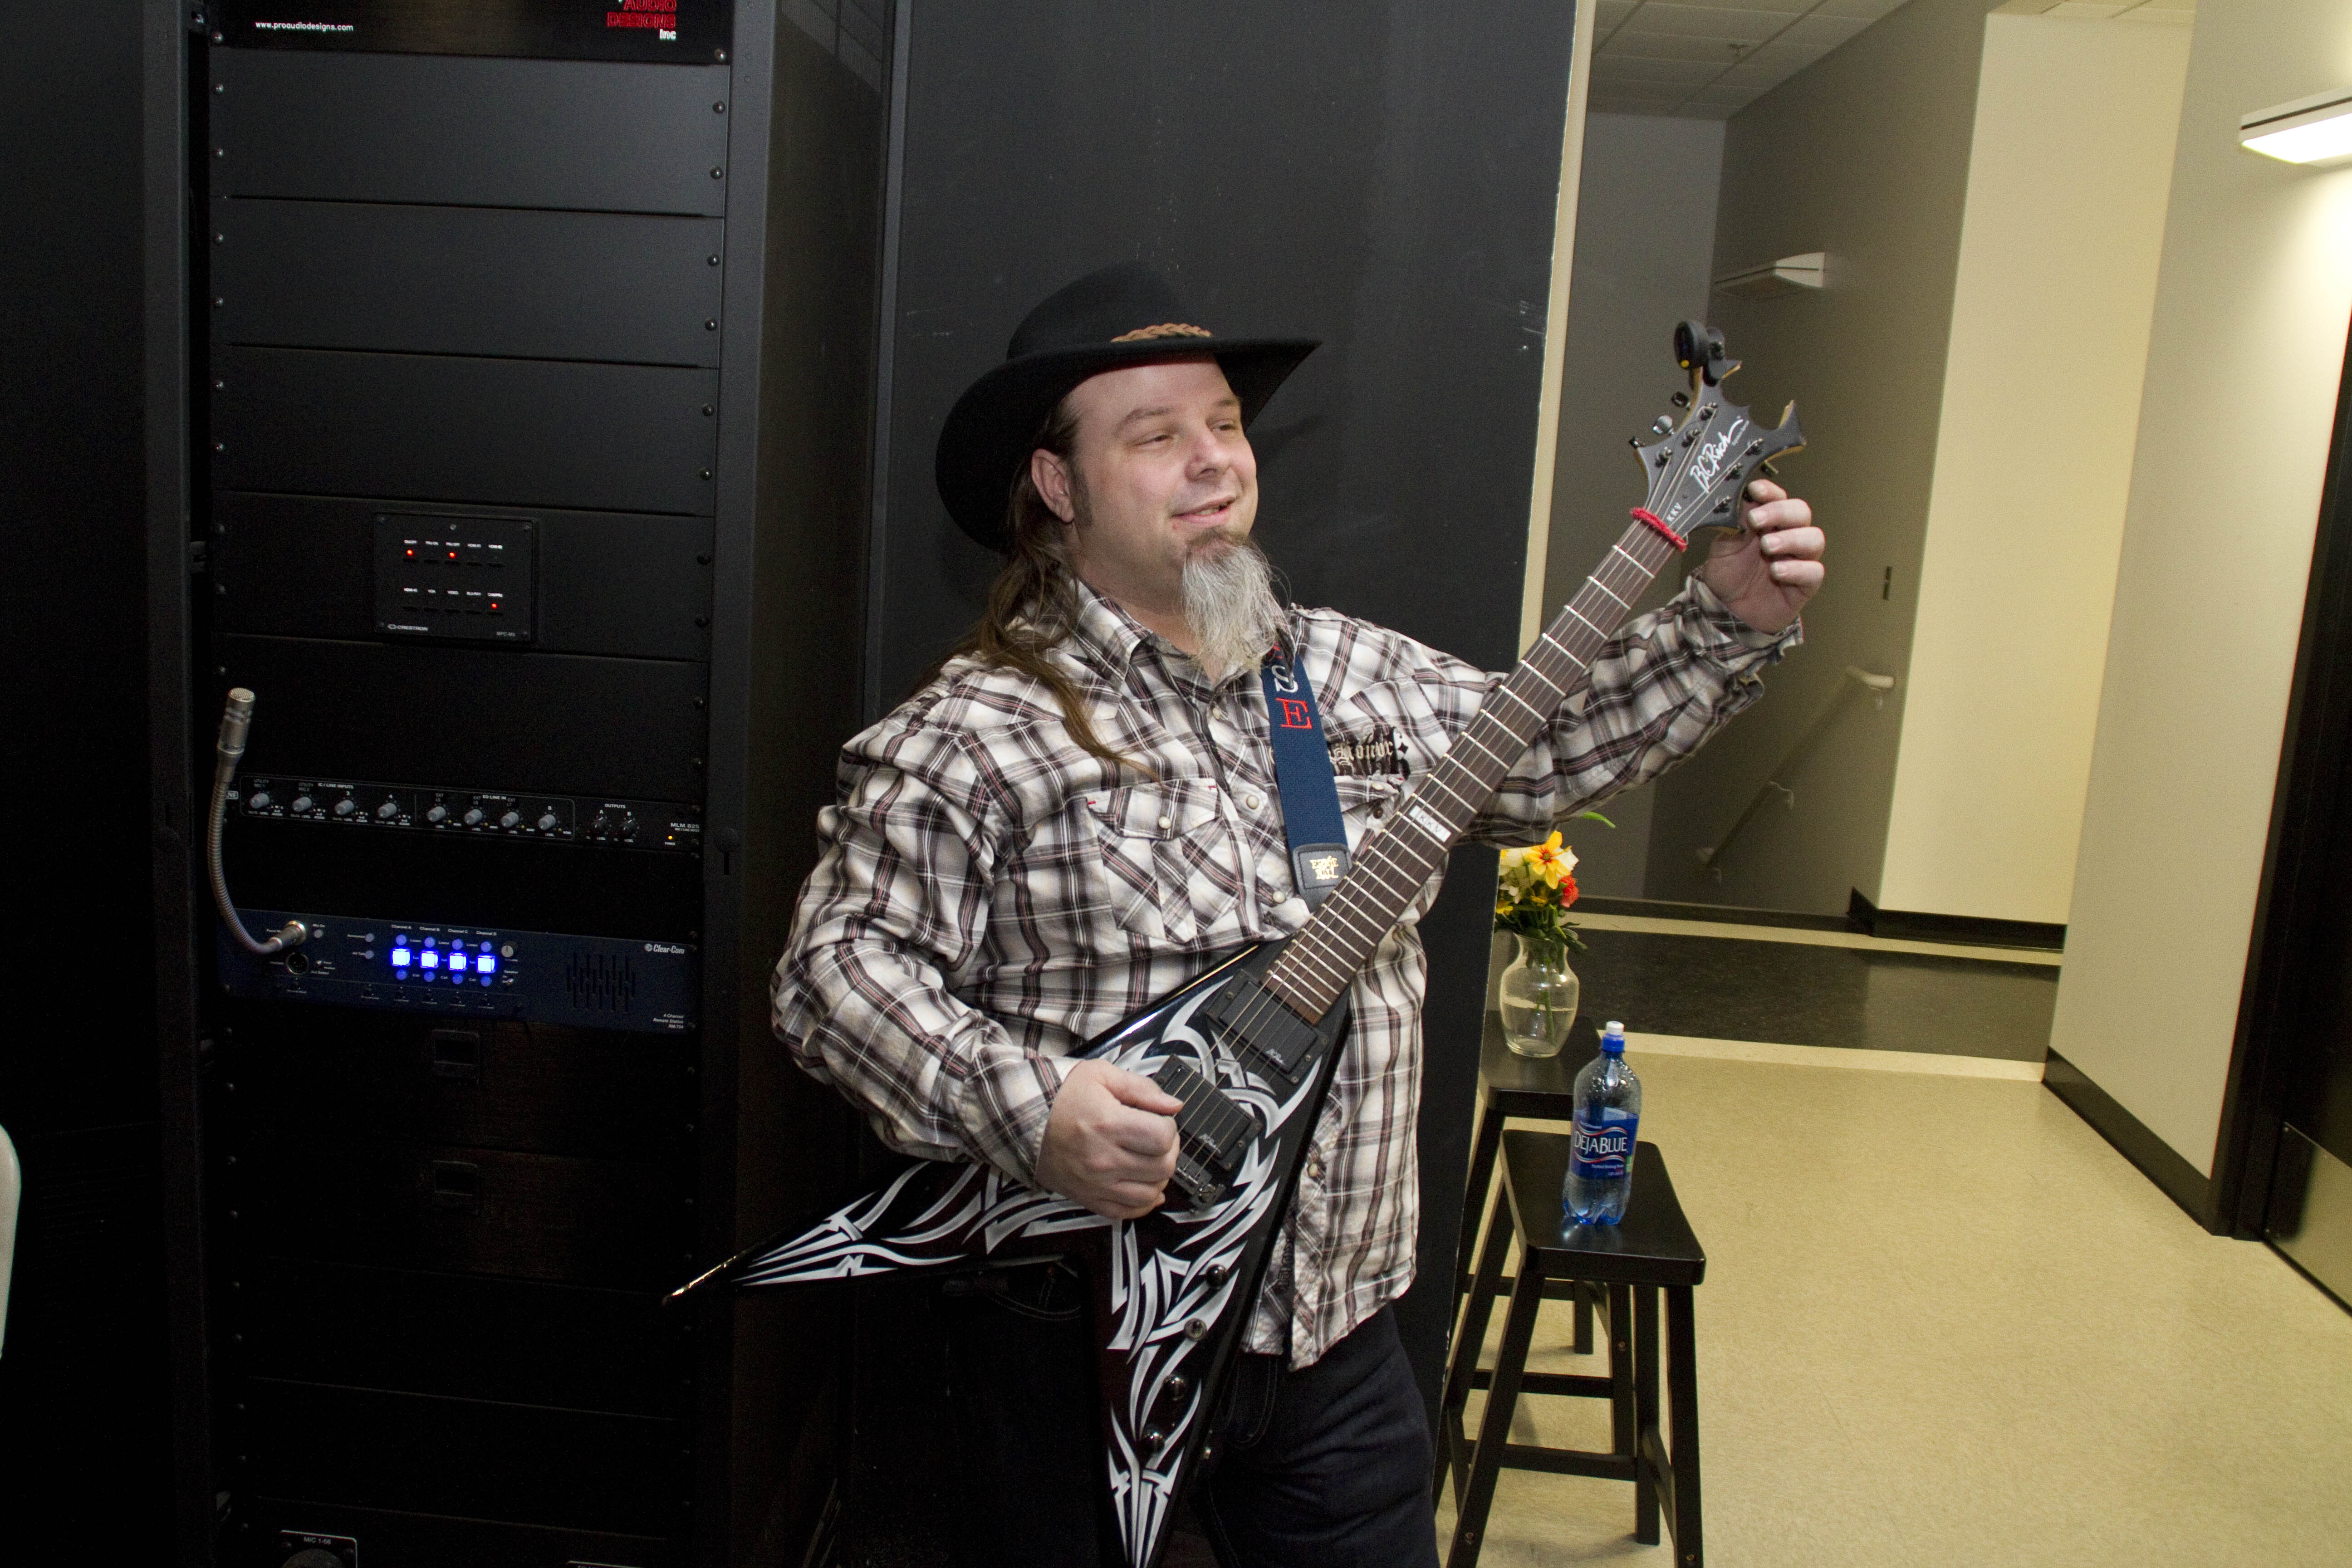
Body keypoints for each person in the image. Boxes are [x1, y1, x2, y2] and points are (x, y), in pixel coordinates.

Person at [770, 263, 1822, 1567]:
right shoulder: (977, 731)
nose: (1213, 459)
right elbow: (835, 973)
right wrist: (1033, 1110)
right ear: (1058, 486)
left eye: (1225, 422)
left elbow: (1544, 750)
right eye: (1155, 435)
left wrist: (1724, 626)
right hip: (1079, 1360)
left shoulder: (1354, 674)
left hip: (1341, 1353)